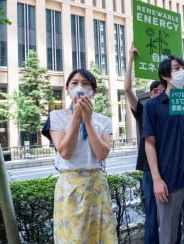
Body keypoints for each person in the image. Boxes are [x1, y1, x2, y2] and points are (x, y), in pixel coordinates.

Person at [44, 69, 118, 243]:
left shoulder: (104, 120)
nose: (80, 87)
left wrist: (89, 120)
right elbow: (65, 152)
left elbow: (101, 153)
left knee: (100, 236)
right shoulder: (57, 116)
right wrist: (77, 117)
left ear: (94, 91)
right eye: (75, 83)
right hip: (70, 187)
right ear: (67, 89)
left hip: (96, 186)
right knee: (73, 237)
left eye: (86, 84)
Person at [143, 56, 184, 243]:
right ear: (165, 75)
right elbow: (149, 142)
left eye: (183, 68)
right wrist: (156, 180)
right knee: (168, 236)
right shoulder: (153, 106)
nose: (182, 72)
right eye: (177, 68)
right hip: (169, 181)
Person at [124, 44, 165, 244]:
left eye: (162, 90)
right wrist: (131, 58)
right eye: (155, 91)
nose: (159, 93)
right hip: (150, 170)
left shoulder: (171, 110)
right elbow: (127, 89)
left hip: (171, 166)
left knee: (174, 214)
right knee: (152, 212)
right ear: (150, 94)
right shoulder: (143, 111)